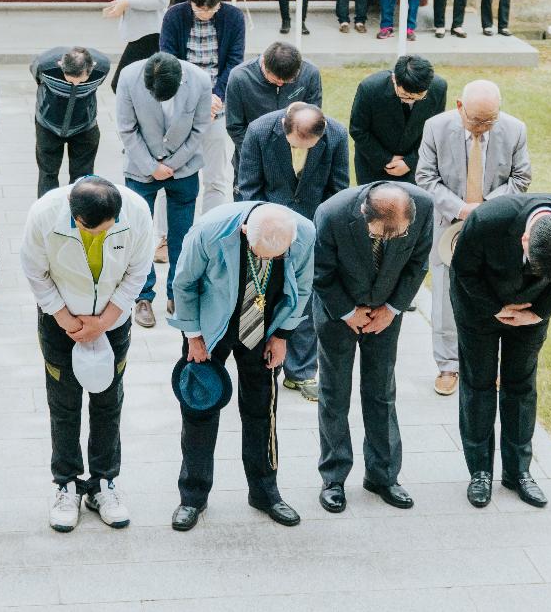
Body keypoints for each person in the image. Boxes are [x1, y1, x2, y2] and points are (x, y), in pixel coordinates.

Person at [168, 203, 315, 531]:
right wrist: (192, 335)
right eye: (264, 254)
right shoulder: (209, 230)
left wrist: (282, 335)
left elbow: (302, 288)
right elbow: (184, 284)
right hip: (209, 328)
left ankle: (265, 491)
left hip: (264, 327)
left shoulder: (302, 232)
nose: (271, 261)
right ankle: (192, 495)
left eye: (278, 257)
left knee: (262, 408)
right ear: (246, 233)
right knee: (200, 406)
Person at [21, 177, 152, 532]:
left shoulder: (136, 211)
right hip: (60, 320)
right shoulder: (44, 215)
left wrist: (105, 321)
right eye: (94, 232)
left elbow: (138, 270)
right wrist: (65, 318)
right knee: (63, 403)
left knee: (109, 400)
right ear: (76, 219)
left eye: (108, 230)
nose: (101, 236)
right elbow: (35, 272)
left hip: (112, 320)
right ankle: (66, 483)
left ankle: (104, 483)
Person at [450, 194, 551, 509]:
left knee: (522, 384)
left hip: (533, 310)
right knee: (479, 383)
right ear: (525, 238)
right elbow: (463, 271)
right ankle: (479, 471)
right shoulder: (487, 220)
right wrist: (494, 309)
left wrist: (540, 312)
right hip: (480, 307)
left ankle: (518, 472)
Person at [314, 182, 433, 513]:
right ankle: (333, 477)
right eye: (383, 234)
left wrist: (392, 308)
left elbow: (418, 264)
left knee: (381, 391)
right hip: (339, 312)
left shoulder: (422, 205)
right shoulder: (331, 213)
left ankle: (383, 475)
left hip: (385, 313)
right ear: (364, 214)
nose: (392, 240)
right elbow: (320, 271)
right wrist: (348, 312)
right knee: (335, 393)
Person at [415, 80, 531, 396]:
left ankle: (484, 366)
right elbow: (425, 178)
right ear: (459, 106)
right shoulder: (435, 128)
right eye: (475, 121)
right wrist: (462, 209)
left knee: (493, 296)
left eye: (488, 121)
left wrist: (486, 208)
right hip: (448, 226)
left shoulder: (515, 129)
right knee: (445, 297)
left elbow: (521, 178)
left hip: (496, 228)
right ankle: (448, 366)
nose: (481, 128)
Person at [237, 103, 348, 401]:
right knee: (266, 296)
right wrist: (262, 227)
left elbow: (338, 190)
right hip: (269, 226)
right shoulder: (260, 130)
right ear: (285, 125)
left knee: (306, 298)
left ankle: (301, 371)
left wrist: (325, 234)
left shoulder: (336, 134)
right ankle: (264, 364)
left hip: (313, 229)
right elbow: (248, 187)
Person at [116, 53, 210, 328]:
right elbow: (126, 128)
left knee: (182, 238)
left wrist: (172, 164)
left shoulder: (200, 81)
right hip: (140, 169)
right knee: (140, 238)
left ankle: (177, 294)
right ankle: (142, 297)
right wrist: (151, 165)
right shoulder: (129, 76)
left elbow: (200, 128)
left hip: (184, 169)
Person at [161, 0, 245, 215]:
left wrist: (215, 97)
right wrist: (197, 100)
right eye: (200, 8)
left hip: (216, 106)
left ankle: (212, 231)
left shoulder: (233, 17)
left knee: (215, 176)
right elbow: (169, 61)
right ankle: (166, 237)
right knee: (171, 173)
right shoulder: (174, 16)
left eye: (211, 7)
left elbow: (234, 62)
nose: (206, 13)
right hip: (181, 104)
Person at [224, 41, 323, 178]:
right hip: (253, 162)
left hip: (295, 162)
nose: (281, 84)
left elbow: (313, 118)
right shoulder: (240, 77)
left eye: (288, 81)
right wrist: (257, 154)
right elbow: (235, 126)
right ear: (264, 62)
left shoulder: (310, 73)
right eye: (276, 81)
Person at [349, 54, 448, 186]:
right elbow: (358, 129)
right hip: (373, 164)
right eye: (404, 95)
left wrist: (410, 161)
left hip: (416, 166)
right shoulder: (370, 88)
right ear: (394, 79)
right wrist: (386, 159)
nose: (410, 100)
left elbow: (435, 131)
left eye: (418, 96)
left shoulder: (439, 88)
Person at [31, 46, 110, 196]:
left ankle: (79, 212)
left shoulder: (102, 67)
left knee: (83, 178)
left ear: (90, 68)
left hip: (85, 126)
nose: (75, 84)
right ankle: (48, 214)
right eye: (70, 80)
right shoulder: (44, 65)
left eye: (80, 81)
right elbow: (37, 77)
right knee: (48, 174)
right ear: (61, 66)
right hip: (48, 125)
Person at [106, 0, 169, 91]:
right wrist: (119, 3)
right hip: (135, 32)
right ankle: (143, 113)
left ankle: (140, 113)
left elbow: (161, 1)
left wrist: (127, 3)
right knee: (137, 85)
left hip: (149, 34)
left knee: (120, 84)